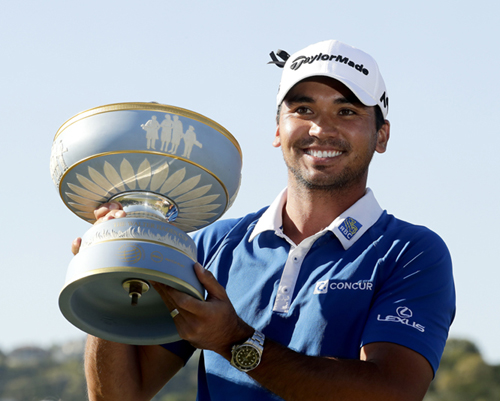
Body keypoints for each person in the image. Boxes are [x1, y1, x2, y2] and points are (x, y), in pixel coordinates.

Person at [76, 39, 455, 401]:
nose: (320, 129)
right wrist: (110, 270)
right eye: (302, 110)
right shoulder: (213, 246)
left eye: (347, 112)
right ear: (278, 130)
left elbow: (392, 393)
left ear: (381, 135)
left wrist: (234, 340)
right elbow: (120, 396)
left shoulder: (412, 253)